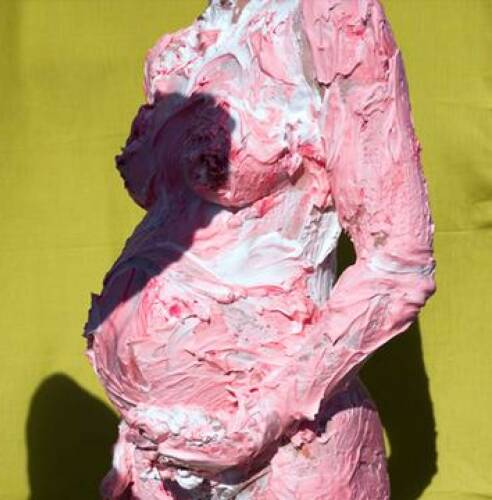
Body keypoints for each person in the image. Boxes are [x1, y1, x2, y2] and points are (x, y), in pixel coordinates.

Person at [84, 0, 436, 498]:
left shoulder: (332, 17)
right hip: (160, 462)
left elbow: (397, 264)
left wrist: (260, 423)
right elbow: (173, 227)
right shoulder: (181, 51)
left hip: (288, 453)